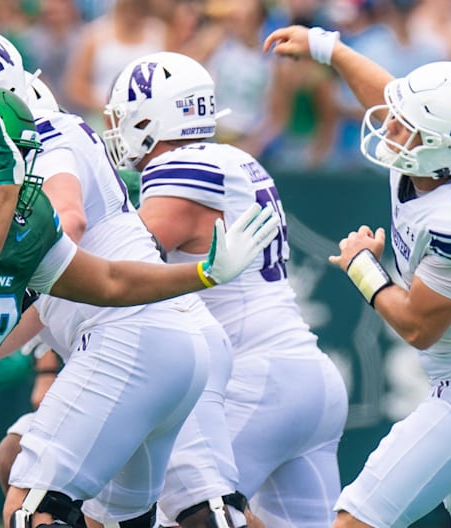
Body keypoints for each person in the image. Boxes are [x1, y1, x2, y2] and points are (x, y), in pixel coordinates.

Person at [0, 83, 279, 528]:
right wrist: (4, 194)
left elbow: (109, 280)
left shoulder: (26, 223)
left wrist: (203, 274)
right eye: (1, 154)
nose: (18, 167)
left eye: (23, 154)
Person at [265, 25, 451, 527]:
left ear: (440, 148)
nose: (389, 126)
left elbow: (419, 327)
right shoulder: (445, 156)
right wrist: (330, 49)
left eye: (405, 126)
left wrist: (362, 267)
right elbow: (389, 97)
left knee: (355, 520)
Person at [103, 50, 348, 528]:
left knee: (188, 516)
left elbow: (122, 270)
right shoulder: (236, 159)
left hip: (254, 378)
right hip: (308, 376)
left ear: (150, 118)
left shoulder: (178, 171)